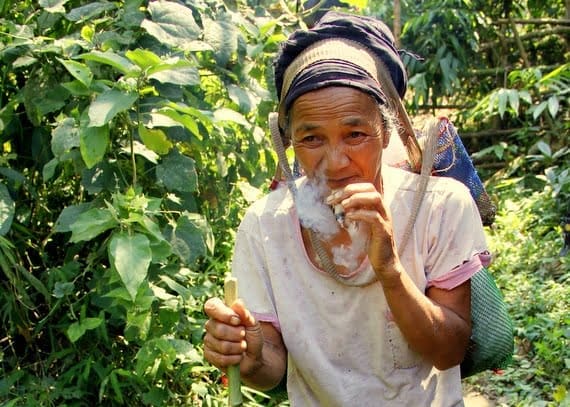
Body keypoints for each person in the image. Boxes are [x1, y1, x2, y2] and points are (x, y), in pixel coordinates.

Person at [203, 11, 490, 406]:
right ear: (287, 141)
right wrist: (249, 358)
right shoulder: (265, 225)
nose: (335, 163)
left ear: (386, 131)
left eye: (355, 134)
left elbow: (449, 352)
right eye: (312, 139)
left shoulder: (439, 206)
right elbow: (271, 369)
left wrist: (389, 269)